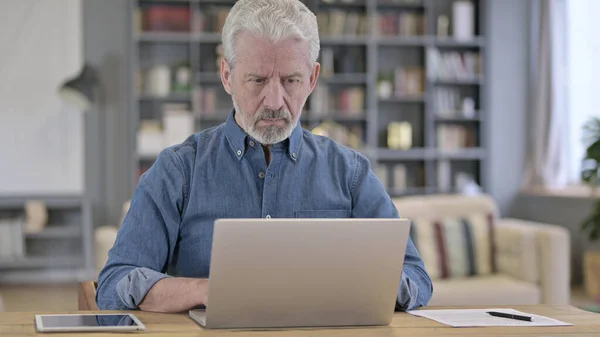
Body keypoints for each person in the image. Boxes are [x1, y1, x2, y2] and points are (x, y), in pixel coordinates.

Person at [96, 0, 433, 312]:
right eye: (257, 80)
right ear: (227, 76)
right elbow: (114, 285)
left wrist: (352, 287)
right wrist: (206, 291)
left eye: (290, 81)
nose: (274, 101)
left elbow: (416, 278)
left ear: (313, 79)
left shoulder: (350, 173)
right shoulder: (179, 170)